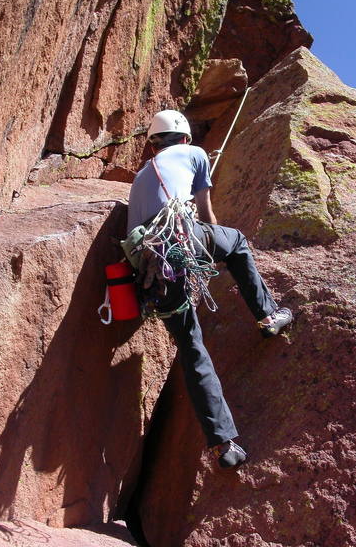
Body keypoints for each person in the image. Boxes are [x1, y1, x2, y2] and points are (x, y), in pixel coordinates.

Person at [127, 110, 292, 468]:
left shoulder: (140, 176)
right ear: (184, 137)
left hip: (152, 269)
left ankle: (223, 446)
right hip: (181, 239)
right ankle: (268, 315)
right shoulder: (196, 153)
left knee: (192, 348)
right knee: (236, 242)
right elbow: (206, 217)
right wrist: (209, 251)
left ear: (154, 143)